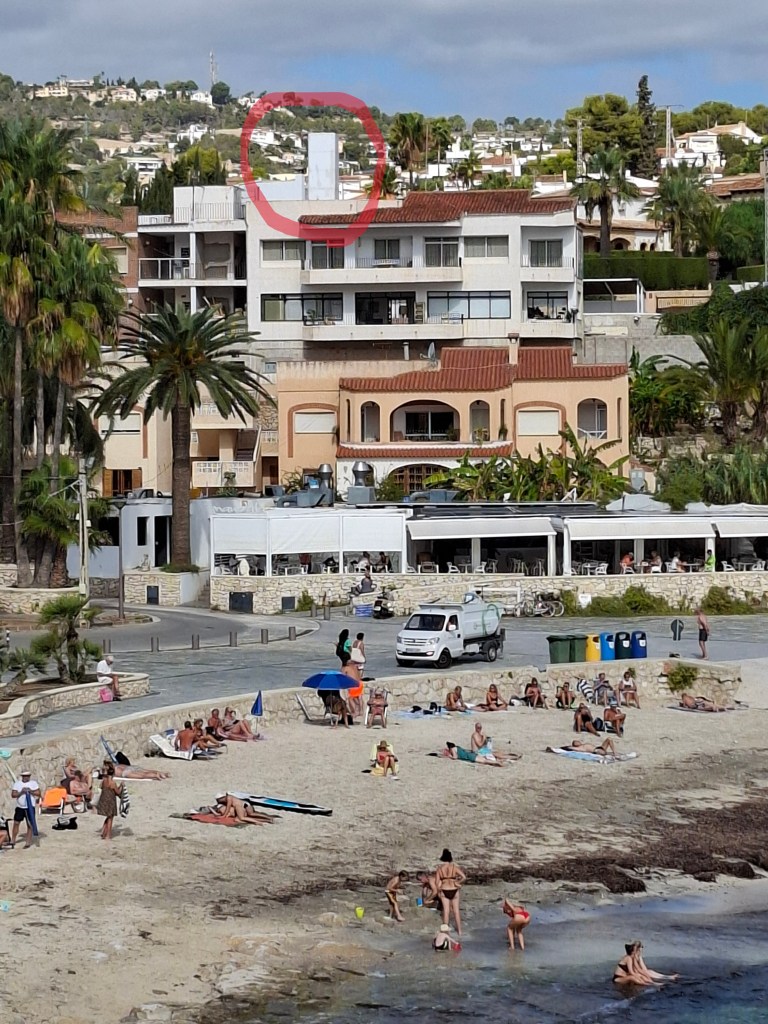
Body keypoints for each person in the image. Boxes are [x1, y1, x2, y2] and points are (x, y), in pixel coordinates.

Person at [613, 940, 678, 987]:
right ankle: (651, 984)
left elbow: (639, 969)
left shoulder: (633, 958)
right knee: (632, 977)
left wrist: (645, 976)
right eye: (638, 950)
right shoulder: (628, 958)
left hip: (626, 976)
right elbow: (632, 972)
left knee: (645, 973)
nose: (638, 952)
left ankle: (656, 982)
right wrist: (642, 976)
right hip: (618, 978)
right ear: (633, 951)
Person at [435, 849, 466, 935]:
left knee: (446, 911)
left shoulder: (439, 869)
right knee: (456, 911)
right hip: (454, 889)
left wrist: (439, 889)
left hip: (445, 889)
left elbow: (437, 883)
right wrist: (457, 882)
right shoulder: (454, 867)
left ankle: (446, 932)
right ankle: (459, 931)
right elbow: (464, 877)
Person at [10, 769, 41, 848]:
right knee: (16, 823)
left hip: (30, 807)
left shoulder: (33, 783)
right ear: (22, 776)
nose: (26, 777)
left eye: (27, 776)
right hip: (20, 807)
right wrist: (21, 792)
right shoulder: (17, 784)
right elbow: (13, 795)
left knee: (29, 824)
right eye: (24, 776)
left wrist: (31, 791)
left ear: (29, 776)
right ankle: (13, 840)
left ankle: (28, 842)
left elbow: (38, 793)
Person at [96, 763, 123, 840]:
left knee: (108, 816)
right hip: (111, 801)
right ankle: (108, 835)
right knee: (110, 818)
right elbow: (118, 792)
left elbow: (101, 787)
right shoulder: (112, 783)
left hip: (104, 800)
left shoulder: (104, 781)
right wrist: (121, 785)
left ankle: (103, 832)